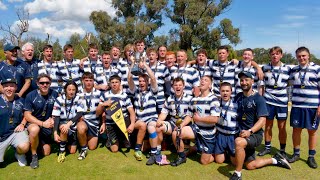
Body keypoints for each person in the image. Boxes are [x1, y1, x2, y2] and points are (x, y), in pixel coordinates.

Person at [230, 71, 291, 180]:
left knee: (238, 143)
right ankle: (275, 160)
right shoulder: (238, 97)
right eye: (242, 80)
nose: (244, 82)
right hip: (240, 134)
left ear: (252, 81)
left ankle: (237, 174)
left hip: (254, 135)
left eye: (246, 80)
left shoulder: (259, 99)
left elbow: (262, 120)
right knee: (249, 165)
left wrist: (250, 131)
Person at [171, 75, 220, 166]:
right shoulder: (194, 99)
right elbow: (189, 116)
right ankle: (182, 157)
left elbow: (215, 119)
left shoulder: (213, 99)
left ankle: (198, 149)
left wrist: (200, 119)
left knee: (204, 162)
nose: (202, 81)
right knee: (176, 133)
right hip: (196, 129)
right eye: (201, 80)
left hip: (207, 133)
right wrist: (181, 125)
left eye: (206, 80)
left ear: (210, 85)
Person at [288, 47, 320, 169]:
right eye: (299, 56)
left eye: (304, 56)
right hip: (297, 106)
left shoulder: (317, 69)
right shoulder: (294, 70)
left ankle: (311, 156)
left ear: (308, 56)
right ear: (296, 57)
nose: (301, 58)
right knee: (296, 130)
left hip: (312, 106)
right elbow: (289, 84)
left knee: (312, 132)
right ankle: (296, 154)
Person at [258, 47, 291, 157]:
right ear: (270, 56)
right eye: (272, 54)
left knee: (282, 127)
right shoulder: (265, 68)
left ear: (281, 55)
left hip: (282, 103)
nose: (275, 56)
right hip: (268, 102)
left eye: (277, 54)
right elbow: (262, 84)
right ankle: (267, 147)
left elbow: (290, 83)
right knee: (268, 126)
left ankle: (282, 150)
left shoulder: (287, 69)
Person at [128, 57, 159, 165]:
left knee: (151, 127)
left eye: (144, 81)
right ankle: (137, 150)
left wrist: (145, 64)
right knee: (142, 125)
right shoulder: (136, 92)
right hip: (139, 119)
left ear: (147, 82)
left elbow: (153, 78)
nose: (142, 83)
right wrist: (132, 64)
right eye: (140, 81)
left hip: (151, 118)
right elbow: (129, 80)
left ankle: (154, 153)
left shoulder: (152, 91)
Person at [24, 74, 59, 169]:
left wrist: (52, 118)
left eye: (47, 83)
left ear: (50, 84)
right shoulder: (31, 95)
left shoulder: (55, 94)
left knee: (47, 152)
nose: (44, 85)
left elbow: (58, 109)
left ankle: (35, 143)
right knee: (35, 129)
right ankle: (33, 155)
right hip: (34, 124)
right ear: (37, 84)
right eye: (42, 83)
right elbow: (27, 115)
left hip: (47, 126)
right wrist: (43, 124)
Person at [96, 75, 135, 152]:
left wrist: (132, 124)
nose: (114, 84)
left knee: (127, 146)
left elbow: (132, 112)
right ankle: (111, 139)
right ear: (109, 84)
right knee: (114, 150)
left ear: (120, 83)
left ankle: (121, 138)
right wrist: (103, 104)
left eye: (116, 82)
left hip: (123, 122)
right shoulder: (104, 95)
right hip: (111, 123)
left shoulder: (124, 96)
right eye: (112, 82)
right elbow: (98, 113)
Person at [156, 77, 192, 157]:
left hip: (185, 124)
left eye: (180, 85)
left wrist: (181, 125)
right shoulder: (169, 99)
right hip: (172, 123)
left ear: (184, 86)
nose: (178, 87)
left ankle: (190, 149)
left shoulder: (189, 99)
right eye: (176, 85)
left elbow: (190, 116)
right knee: (158, 127)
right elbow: (164, 113)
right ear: (172, 87)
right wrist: (159, 120)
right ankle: (157, 151)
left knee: (184, 152)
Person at [0, 78, 29, 168]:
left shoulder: (21, 100)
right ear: (2, 88)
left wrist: (22, 123)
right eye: (6, 86)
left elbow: (27, 114)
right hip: (1, 136)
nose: (9, 88)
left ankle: (19, 154)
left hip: (15, 132)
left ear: (16, 87)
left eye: (11, 86)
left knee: (24, 146)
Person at [76, 72, 105, 160]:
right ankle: (83, 149)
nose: (88, 83)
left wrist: (103, 123)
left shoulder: (99, 93)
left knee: (92, 147)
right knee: (81, 128)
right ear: (83, 81)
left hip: (94, 123)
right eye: (86, 80)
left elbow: (103, 110)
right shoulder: (78, 93)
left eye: (91, 80)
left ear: (93, 82)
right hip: (83, 121)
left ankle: (83, 138)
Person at [52, 81, 81, 163]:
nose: (71, 92)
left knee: (72, 151)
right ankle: (61, 151)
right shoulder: (59, 100)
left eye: (73, 90)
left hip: (73, 126)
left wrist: (69, 123)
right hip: (63, 125)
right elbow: (56, 117)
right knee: (63, 127)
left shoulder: (78, 98)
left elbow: (79, 113)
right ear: (65, 90)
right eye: (69, 89)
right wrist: (55, 133)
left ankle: (65, 142)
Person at [215, 82, 238, 164]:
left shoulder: (236, 103)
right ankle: (225, 151)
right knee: (219, 161)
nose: (225, 93)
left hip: (232, 135)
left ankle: (230, 152)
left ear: (231, 91)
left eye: (227, 91)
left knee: (235, 163)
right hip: (220, 134)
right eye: (223, 91)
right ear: (220, 91)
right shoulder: (216, 103)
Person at [147, 48, 171, 113]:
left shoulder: (163, 67)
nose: (151, 56)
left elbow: (168, 82)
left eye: (152, 54)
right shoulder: (144, 68)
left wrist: (167, 96)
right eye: (149, 55)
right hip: (149, 98)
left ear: (156, 56)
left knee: (161, 118)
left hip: (160, 97)